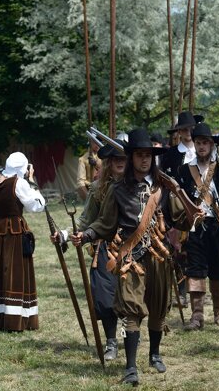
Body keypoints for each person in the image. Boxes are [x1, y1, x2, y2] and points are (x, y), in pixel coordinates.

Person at [70, 129, 173, 386]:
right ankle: (130, 367)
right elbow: (104, 224)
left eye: (148, 155)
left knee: (158, 306)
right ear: (131, 158)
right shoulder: (118, 190)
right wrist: (86, 235)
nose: (145, 160)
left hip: (159, 256)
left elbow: (178, 218)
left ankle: (155, 354)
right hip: (131, 258)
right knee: (130, 309)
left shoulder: (164, 187)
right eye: (139, 155)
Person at [54, 139, 127, 361]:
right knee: (105, 299)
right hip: (105, 249)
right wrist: (65, 235)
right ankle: (111, 341)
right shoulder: (97, 188)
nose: (119, 162)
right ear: (108, 162)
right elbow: (85, 221)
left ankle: (131, 332)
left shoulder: (139, 185)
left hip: (134, 248)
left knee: (132, 298)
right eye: (115, 159)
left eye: (123, 158)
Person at [0, 152, 46, 332]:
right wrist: (32, 182)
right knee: (14, 271)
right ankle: (13, 320)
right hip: (13, 231)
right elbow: (38, 205)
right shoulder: (19, 183)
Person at [177, 122, 219, 330]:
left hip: (218, 226)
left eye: (205, 142)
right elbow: (177, 199)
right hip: (194, 226)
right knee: (195, 270)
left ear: (212, 145)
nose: (201, 146)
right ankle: (197, 316)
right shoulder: (185, 171)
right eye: (198, 142)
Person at [161, 111, 203, 306]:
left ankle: (200, 290)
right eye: (184, 129)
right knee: (179, 251)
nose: (188, 132)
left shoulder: (205, 151)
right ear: (178, 131)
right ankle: (181, 290)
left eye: (191, 129)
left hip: (202, 205)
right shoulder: (170, 155)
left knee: (200, 249)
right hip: (178, 207)